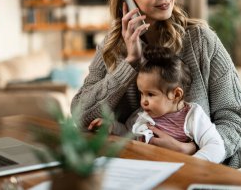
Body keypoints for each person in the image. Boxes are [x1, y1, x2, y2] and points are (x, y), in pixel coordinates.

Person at [71, 0, 241, 168]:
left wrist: (192, 150)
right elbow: (82, 117)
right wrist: (131, 63)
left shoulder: (201, 39)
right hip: (135, 167)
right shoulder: (111, 47)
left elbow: (235, 120)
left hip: (202, 170)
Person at [88, 45, 226, 163]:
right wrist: (111, 127)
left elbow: (216, 146)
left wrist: (193, 163)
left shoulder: (193, 116)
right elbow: (128, 133)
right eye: (142, 93)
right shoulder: (143, 115)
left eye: (150, 94)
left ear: (176, 94)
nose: (143, 101)